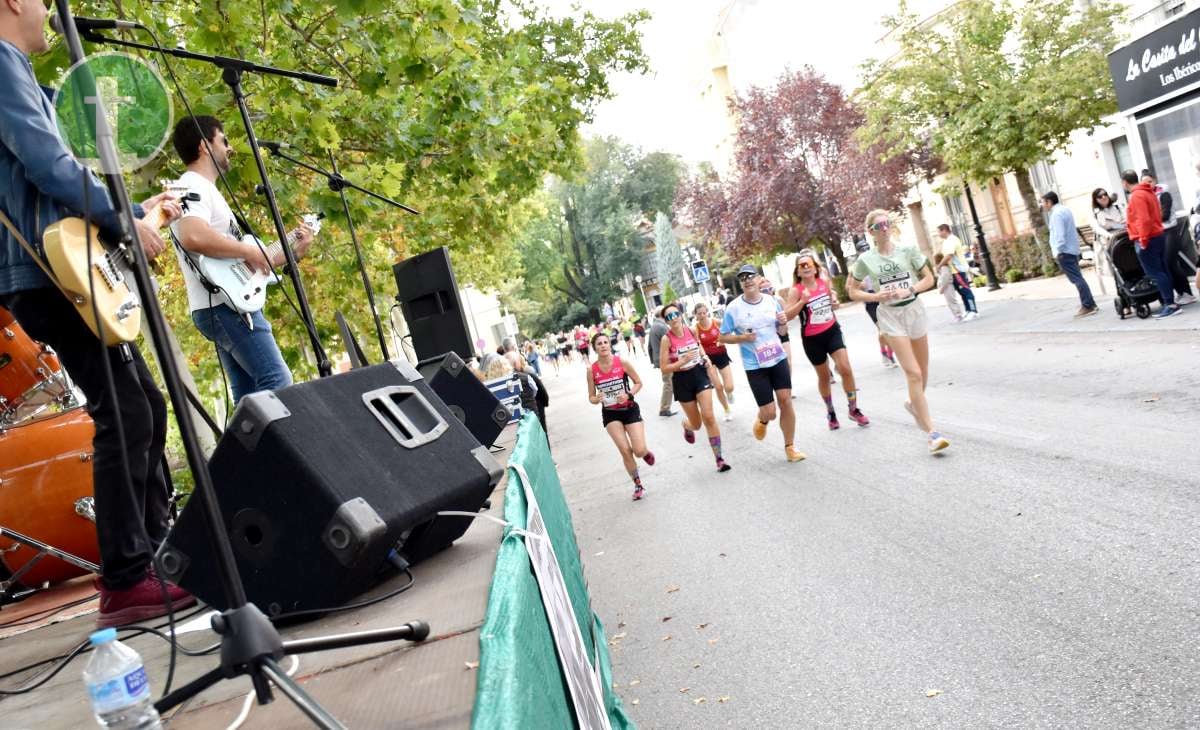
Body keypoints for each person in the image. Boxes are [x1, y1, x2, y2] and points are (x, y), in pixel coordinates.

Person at [0, 5, 196, 626]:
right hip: (44, 272)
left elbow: (51, 179)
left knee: (144, 402)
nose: (47, 12)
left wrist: (138, 210)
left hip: (56, 266)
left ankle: (152, 556)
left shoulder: (22, 71)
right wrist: (124, 220)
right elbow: (48, 165)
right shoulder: (1, 62)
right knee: (126, 408)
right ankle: (127, 579)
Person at [170, 116, 316, 401]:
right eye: (223, 140)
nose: (230, 147)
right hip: (225, 306)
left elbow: (242, 266)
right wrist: (249, 250)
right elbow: (193, 236)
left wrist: (293, 251)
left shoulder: (203, 190)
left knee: (249, 396)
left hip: (223, 303)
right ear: (204, 146)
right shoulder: (189, 185)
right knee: (278, 382)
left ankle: (242, 447)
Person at [848, 211, 949, 454]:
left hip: (913, 311)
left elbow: (929, 279)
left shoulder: (908, 250)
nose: (884, 228)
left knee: (923, 372)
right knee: (913, 373)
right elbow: (851, 290)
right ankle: (932, 434)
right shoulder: (865, 260)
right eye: (878, 225)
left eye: (887, 223)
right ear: (870, 231)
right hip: (890, 316)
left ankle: (912, 403)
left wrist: (911, 289)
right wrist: (875, 296)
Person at [720, 265, 806, 463]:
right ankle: (762, 418)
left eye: (751, 276)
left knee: (786, 400)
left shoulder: (771, 301)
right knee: (770, 412)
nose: (748, 280)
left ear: (758, 279)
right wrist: (743, 337)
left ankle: (790, 447)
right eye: (743, 278)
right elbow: (722, 337)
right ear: (740, 283)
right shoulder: (733, 308)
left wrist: (783, 322)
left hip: (777, 358)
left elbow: (782, 331)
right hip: (755, 366)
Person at [787, 249, 870, 430]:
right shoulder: (796, 290)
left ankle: (853, 409)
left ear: (816, 268)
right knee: (824, 377)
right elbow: (786, 315)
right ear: (798, 271)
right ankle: (831, 411)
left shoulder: (823, 282)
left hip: (831, 330)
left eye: (809, 264)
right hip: (812, 339)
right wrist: (802, 302)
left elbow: (833, 303)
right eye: (802, 266)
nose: (806, 267)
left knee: (845, 368)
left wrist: (835, 304)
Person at [658, 303, 730, 472]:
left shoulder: (691, 330)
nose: (673, 318)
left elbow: (699, 347)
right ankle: (687, 425)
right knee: (697, 424)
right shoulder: (666, 339)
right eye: (669, 316)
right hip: (682, 381)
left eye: (675, 314)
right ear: (666, 321)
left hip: (699, 374)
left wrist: (705, 357)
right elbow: (664, 367)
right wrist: (681, 361)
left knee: (709, 416)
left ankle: (719, 459)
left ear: (680, 314)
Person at [586, 332, 654, 500]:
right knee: (625, 451)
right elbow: (591, 397)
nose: (603, 345)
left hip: (629, 409)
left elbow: (638, 382)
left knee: (638, 450)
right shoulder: (591, 370)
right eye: (599, 343)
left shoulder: (622, 362)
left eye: (605, 342)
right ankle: (638, 484)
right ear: (594, 348)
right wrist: (597, 399)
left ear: (610, 345)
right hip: (610, 413)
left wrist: (629, 395)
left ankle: (644, 452)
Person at [1122, 171, 1181, 318]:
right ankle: (1171, 302)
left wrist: (1142, 240)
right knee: (1163, 270)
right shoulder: (1148, 192)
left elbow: (1144, 220)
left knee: (1156, 273)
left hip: (1148, 238)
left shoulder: (1137, 196)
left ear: (1124, 182)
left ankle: (1170, 305)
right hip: (1158, 235)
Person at [1040, 191, 1098, 319]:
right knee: (1078, 278)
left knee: (1077, 279)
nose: (1042, 205)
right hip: (1071, 250)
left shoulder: (1056, 214)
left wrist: (1058, 251)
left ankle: (1088, 305)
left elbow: (1059, 235)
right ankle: (1090, 303)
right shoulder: (1064, 210)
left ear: (1049, 202)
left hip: (1065, 251)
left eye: (1043, 202)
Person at [1141, 170, 1196, 304]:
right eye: (1144, 183)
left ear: (1154, 180)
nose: (1148, 184)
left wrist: (1148, 219)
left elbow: (1164, 215)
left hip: (1170, 231)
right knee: (1168, 264)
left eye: (1150, 181)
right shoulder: (1146, 195)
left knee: (1169, 262)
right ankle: (1181, 293)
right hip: (1159, 233)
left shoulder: (1163, 192)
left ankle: (1187, 293)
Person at [852, 239, 898, 368]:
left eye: (867, 249)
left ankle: (888, 353)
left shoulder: (876, 260)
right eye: (862, 250)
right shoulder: (857, 266)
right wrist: (860, 284)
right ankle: (887, 355)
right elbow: (850, 287)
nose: (865, 252)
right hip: (870, 300)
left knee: (889, 328)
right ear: (858, 252)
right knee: (882, 329)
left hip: (883, 296)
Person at [693, 301, 735, 422]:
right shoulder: (695, 328)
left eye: (704, 313)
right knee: (718, 386)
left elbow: (728, 330)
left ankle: (730, 393)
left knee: (729, 386)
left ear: (707, 312)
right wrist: (703, 355)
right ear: (695, 315)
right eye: (699, 313)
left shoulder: (716, 322)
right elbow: (696, 343)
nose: (702, 315)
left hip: (721, 355)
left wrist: (723, 340)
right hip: (708, 359)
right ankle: (726, 409)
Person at [935, 224, 978, 320]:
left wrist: (939, 265)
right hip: (954, 271)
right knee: (962, 291)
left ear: (944, 230)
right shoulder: (947, 241)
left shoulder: (952, 240)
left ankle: (973, 311)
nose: (938, 234)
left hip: (958, 270)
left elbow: (949, 255)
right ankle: (968, 310)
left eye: (939, 231)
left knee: (966, 290)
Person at [646, 308, 675, 416]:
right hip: (665, 359)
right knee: (668, 383)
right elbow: (672, 341)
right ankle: (664, 408)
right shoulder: (662, 327)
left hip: (660, 359)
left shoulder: (654, 326)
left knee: (670, 381)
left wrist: (653, 361)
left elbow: (649, 346)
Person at [934, 254, 965, 322]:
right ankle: (956, 315)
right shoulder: (942, 267)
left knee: (951, 301)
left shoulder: (944, 267)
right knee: (950, 301)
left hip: (947, 286)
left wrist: (942, 288)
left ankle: (958, 315)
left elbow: (945, 278)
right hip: (946, 286)